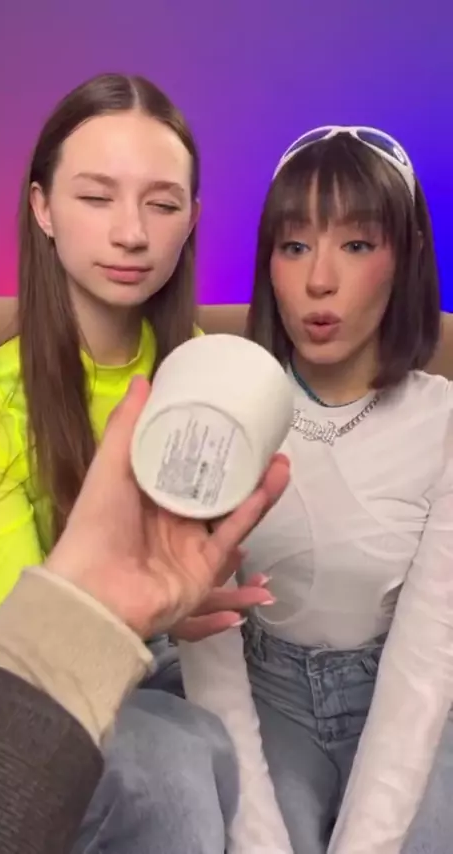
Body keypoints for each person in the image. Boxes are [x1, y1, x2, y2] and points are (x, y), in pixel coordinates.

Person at [0, 72, 274, 854]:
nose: (132, 233)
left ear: (192, 220)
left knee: (227, 747)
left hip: (171, 651)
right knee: (173, 770)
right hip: (33, 655)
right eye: (96, 197)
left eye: (162, 204)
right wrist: (151, 615)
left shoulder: (208, 373)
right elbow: (21, 623)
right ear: (42, 207)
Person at [178, 127, 453, 854]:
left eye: (356, 245)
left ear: (407, 256)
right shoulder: (223, 402)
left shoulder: (444, 422)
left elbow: (425, 663)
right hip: (264, 694)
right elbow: (211, 647)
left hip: (405, 696)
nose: (319, 280)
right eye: (295, 245)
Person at [0, 373, 290, 854]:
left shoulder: (194, 365)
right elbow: (18, 644)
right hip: (29, 649)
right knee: (172, 777)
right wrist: (101, 614)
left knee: (214, 745)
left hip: (142, 648)